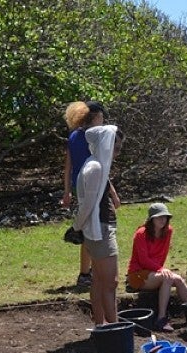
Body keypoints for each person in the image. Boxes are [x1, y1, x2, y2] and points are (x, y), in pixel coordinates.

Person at [60, 101, 118, 287]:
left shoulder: (74, 136)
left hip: (79, 186)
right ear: (94, 117)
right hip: (92, 185)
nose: (103, 121)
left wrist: (67, 191)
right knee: (94, 227)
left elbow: (68, 167)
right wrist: (114, 194)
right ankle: (88, 272)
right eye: (101, 117)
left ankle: (87, 272)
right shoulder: (92, 138)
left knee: (88, 224)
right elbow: (98, 169)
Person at [72, 124, 123, 326]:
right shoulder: (95, 168)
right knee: (111, 282)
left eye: (119, 148)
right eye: (115, 146)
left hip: (99, 229)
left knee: (100, 281)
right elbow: (87, 205)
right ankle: (116, 329)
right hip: (99, 230)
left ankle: (102, 326)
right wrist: (77, 227)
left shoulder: (97, 164)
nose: (117, 152)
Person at [126, 203, 187, 333]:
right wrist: (161, 270)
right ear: (152, 219)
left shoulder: (168, 231)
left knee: (178, 279)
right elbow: (143, 260)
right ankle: (161, 318)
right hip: (137, 274)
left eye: (165, 217)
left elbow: (162, 255)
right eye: (159, 217)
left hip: (155, 272)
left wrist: (161, 270)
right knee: (166, 278)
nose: (163, 220)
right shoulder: (141, 234)